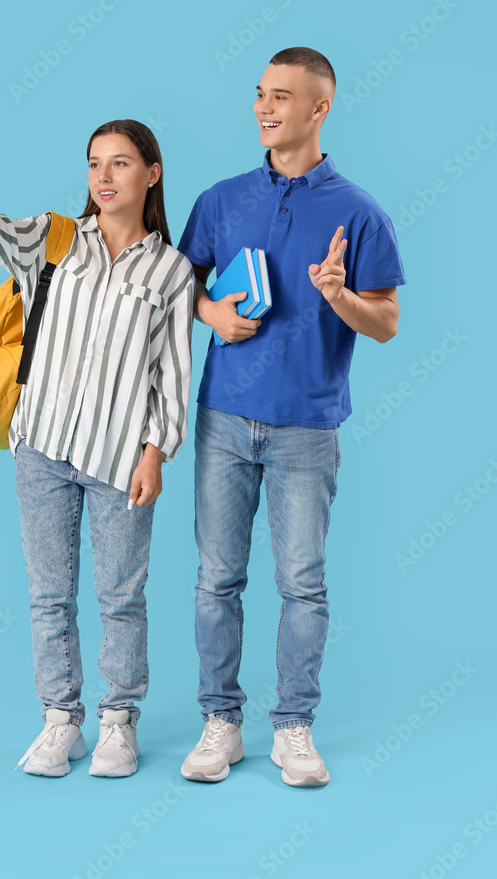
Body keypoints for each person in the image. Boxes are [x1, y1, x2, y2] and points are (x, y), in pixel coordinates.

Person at [0, 117, 195, 778]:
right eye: (93, 164)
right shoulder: (56, 240)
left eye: (120, 164)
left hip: (117, 457)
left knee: (120, 596)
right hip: (41, 445)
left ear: (151, 173)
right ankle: (59, 722)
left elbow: (172, 373)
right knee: (49, 594)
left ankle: (116, 723)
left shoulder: (169, 271)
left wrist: (154, 453)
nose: (104, 177)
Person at [176, 47, 407, 787]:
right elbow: (174, 288)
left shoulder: (359, 213)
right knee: (216, 579)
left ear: (319, 108)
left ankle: (293, 729)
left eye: (281, 96)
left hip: (306, 426)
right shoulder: (219, 199)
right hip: (222, 418)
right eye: (258, 94)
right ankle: (220, 722)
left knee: (301, 583)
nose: (264, 108)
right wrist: (210, 308)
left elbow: (387, 324)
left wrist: (339, 296)